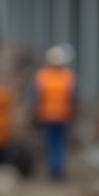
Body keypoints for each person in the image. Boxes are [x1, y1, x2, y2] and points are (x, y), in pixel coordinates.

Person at [30, 45, 78, 181]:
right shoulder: (69, 76)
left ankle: (53, 170)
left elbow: (35, 96)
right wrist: (74, 113)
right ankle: (59, 169)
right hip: (64, 115)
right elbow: (74, 97)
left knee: (50, 142)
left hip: (47, 115)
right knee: (61, 142)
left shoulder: (42, 76)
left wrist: (35, 113)